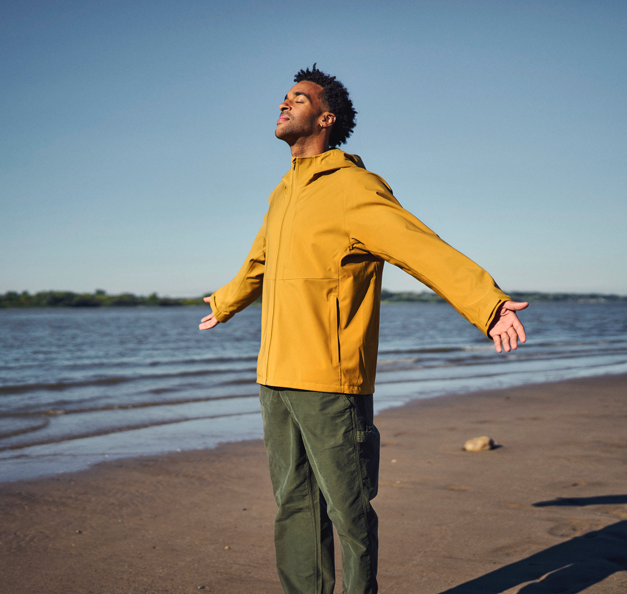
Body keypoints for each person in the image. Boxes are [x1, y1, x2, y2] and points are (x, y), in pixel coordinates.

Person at [199, 64, 528, 594]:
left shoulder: (355, 188)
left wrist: (487, 304)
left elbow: (420, 248)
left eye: (298, 99)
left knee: (348, 512)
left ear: (325, 118)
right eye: (283, 98)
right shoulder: (281, 193)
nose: (284, 105)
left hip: (330, 381)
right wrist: (226, 301)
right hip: (275, 377)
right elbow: (259, 263)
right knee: (293, 506)